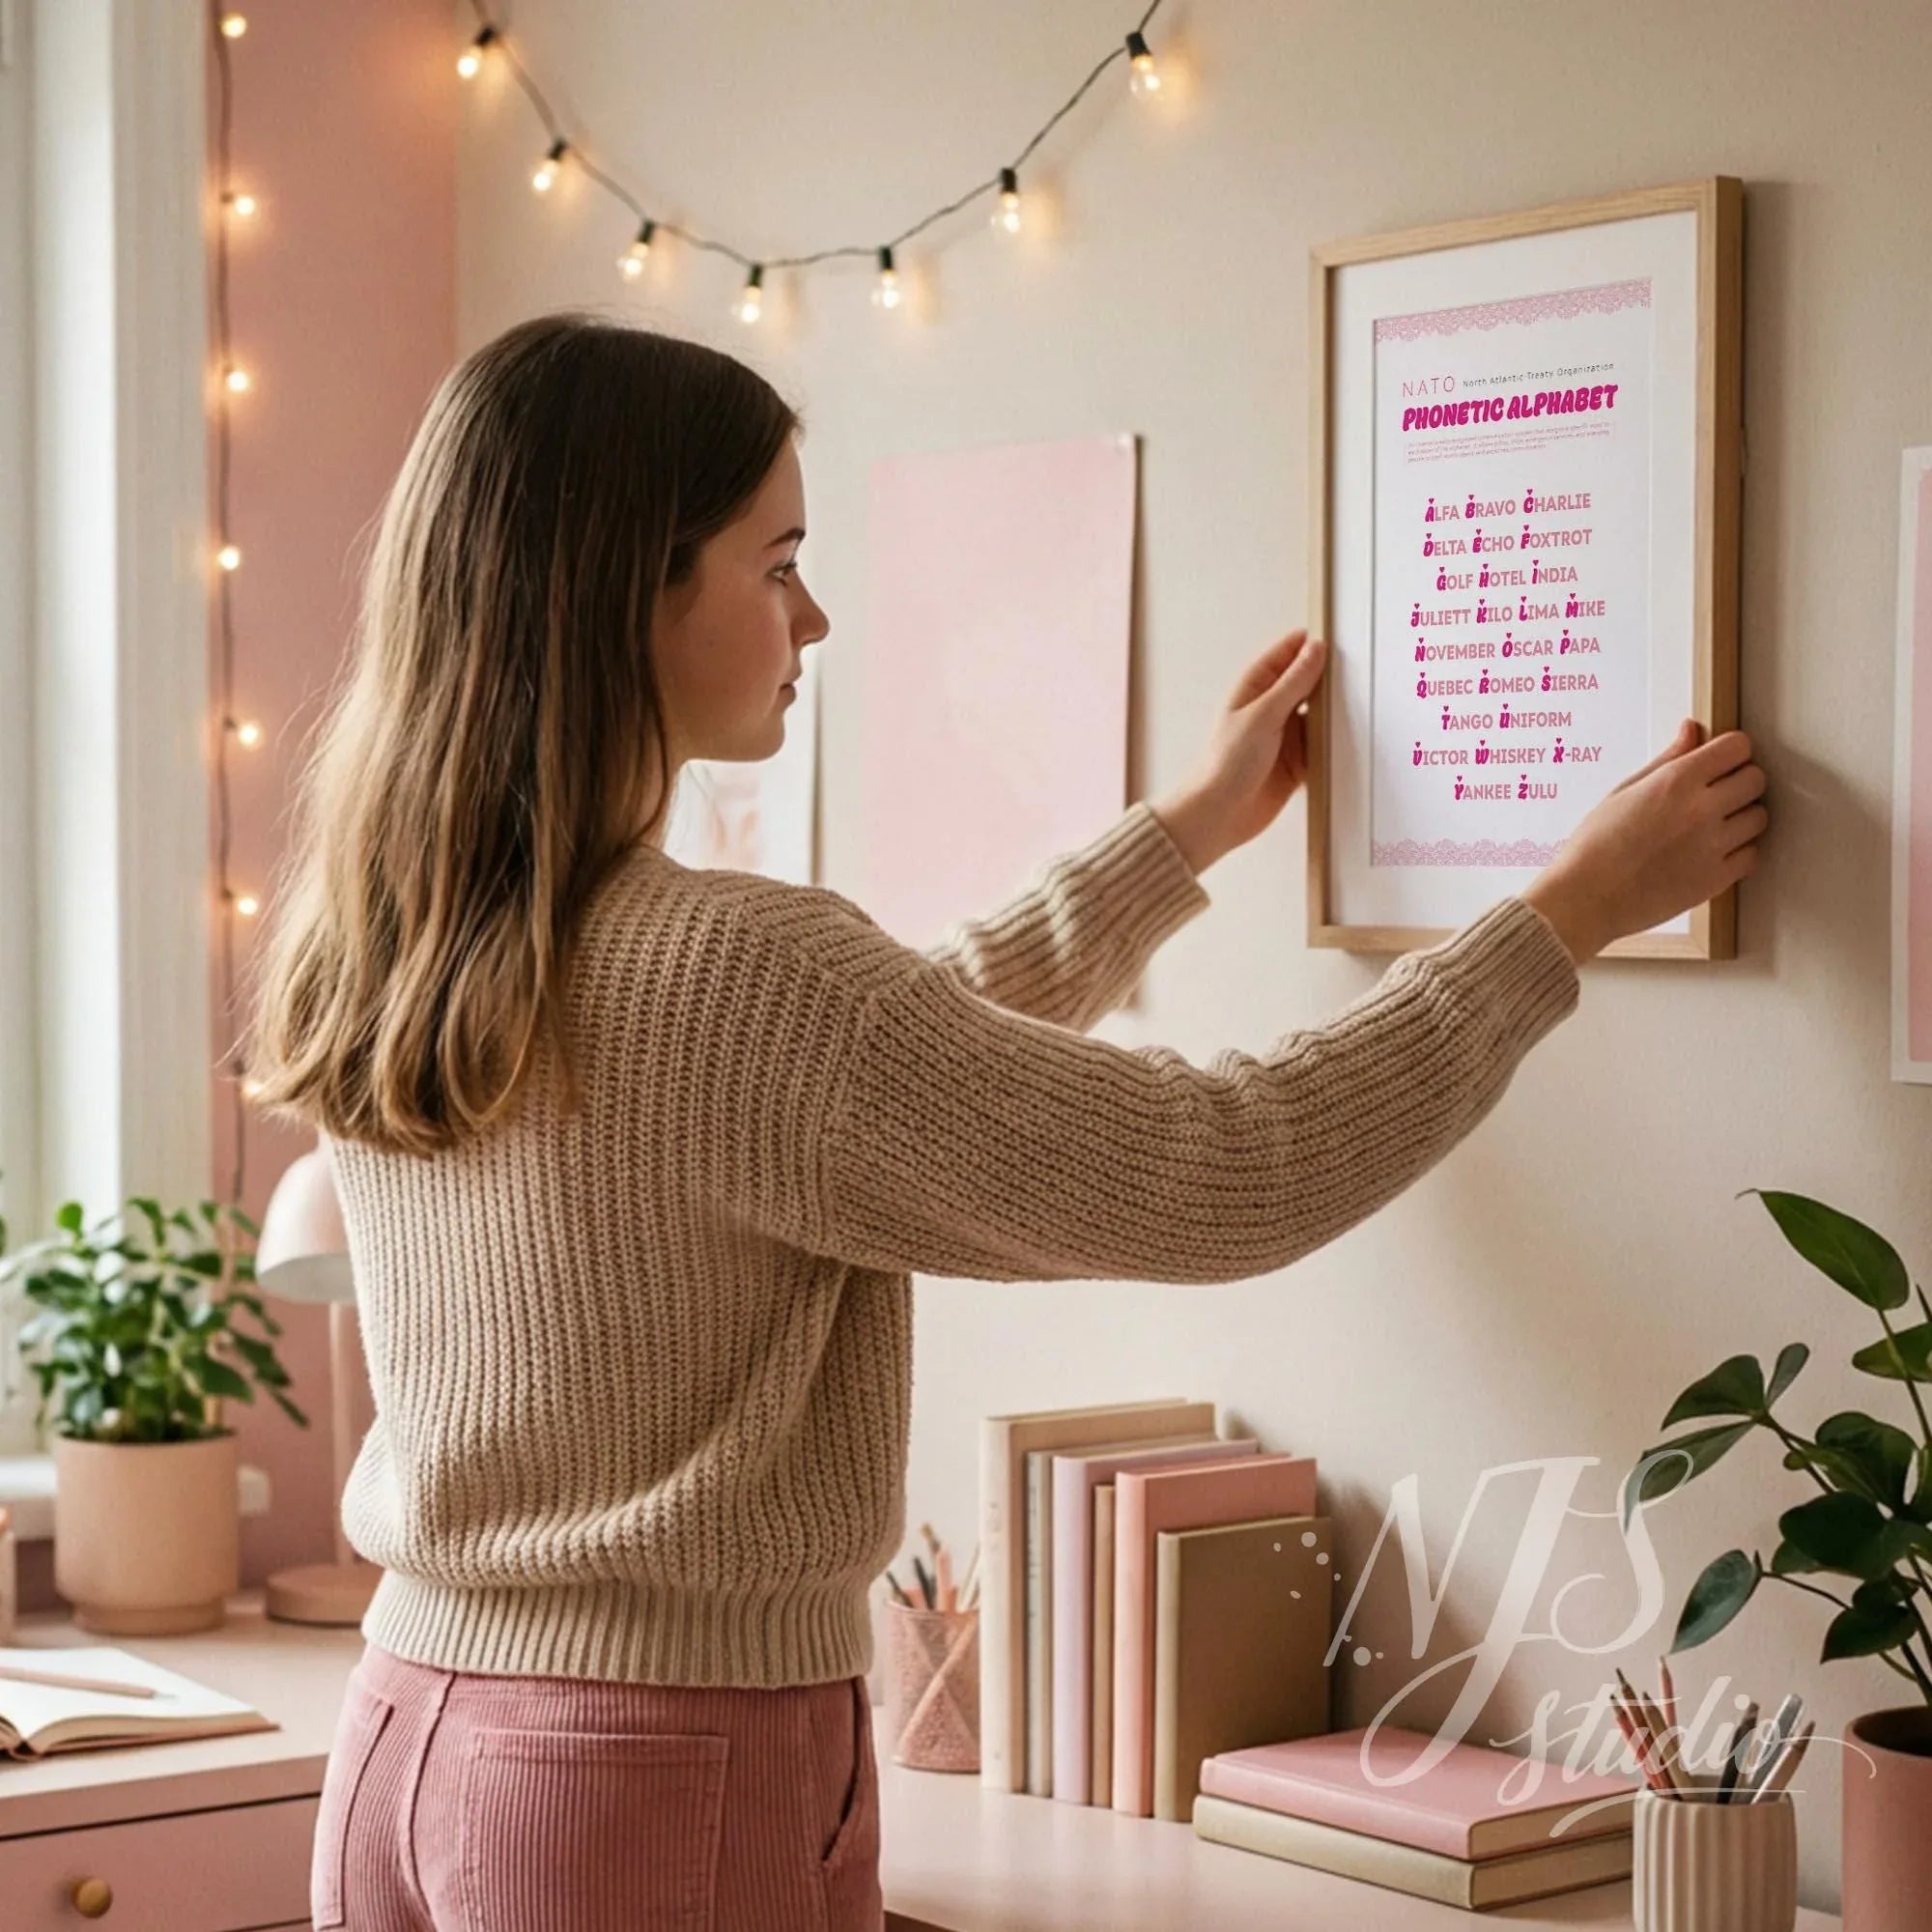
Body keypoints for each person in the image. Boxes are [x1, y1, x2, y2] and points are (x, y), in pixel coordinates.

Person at [248, 313, 1767, 1932]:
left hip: (411, 1738)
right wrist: (1565, 918)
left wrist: (1181, 835)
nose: (812, 615)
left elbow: (879, 1060)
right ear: (638, 585)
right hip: (646, 1777)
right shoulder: (731, 976)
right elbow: (1231, 1169)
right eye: (777, 564)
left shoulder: (402, 931)